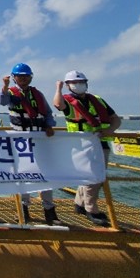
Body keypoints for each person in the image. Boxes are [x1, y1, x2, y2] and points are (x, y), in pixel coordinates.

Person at [53, 70, 121, 226]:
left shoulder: (97, 100)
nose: (79, 85)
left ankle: (79, 204)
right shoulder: (68, 101)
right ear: (68, 86)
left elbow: (115, 119)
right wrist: (58, 88)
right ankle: (92, 208)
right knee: (93, 177)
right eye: (75, 83)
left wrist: (109, 130)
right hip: (80, 145)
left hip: (100, 143)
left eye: (82, 82)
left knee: (92, 176)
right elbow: (57, 104)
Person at [0, 63, 61, 225]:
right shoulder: (12, 94)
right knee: (23, 175)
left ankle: (49, 211)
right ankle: (23, 209)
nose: (23, 79)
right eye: (20, 76)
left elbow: (47, 113)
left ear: (30, 77)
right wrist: (5, 87)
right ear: (15, 78)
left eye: (26, 76)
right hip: (21, 142)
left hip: (40, 140)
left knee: (45, 175)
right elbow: (3, 101)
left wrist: (49, 125)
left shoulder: (37, 94)